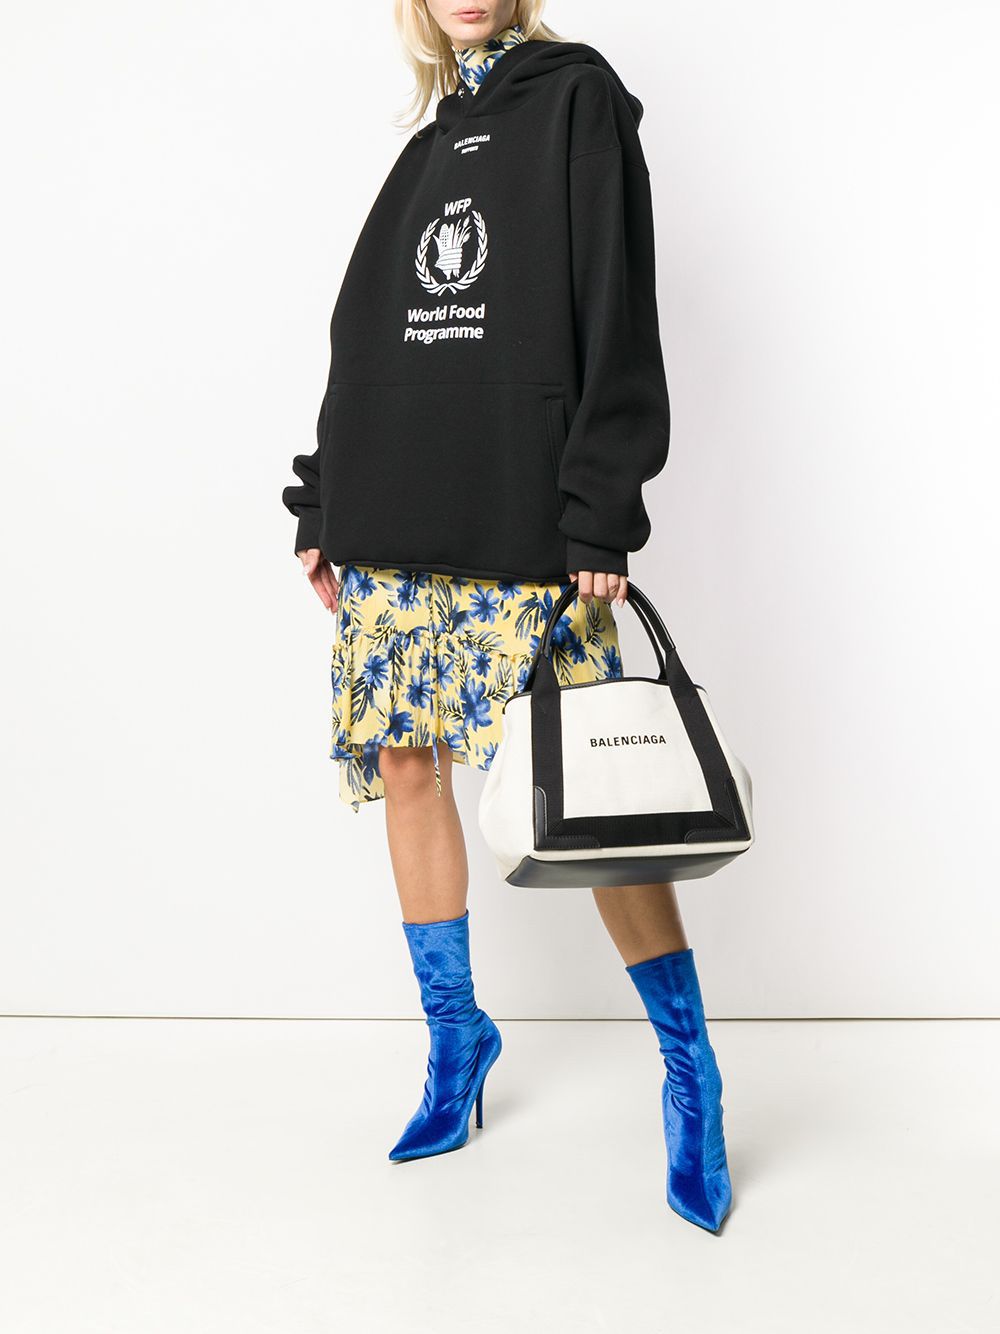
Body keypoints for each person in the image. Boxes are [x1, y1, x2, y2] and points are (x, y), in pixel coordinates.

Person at [281, 0, 733, 1233]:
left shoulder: (576, 97)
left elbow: (614, 300)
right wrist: (323, 496)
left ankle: (690, 1072)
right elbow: (367, 336)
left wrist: (600, 505)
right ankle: (454, 1041)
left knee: (598, 807)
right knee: (407, 764)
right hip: (394, 515)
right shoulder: (430, 141)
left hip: (524, 516)